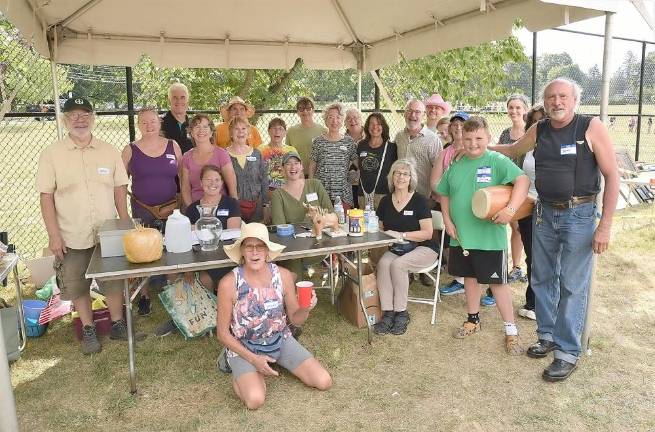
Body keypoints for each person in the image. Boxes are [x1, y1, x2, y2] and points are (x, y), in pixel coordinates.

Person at [491, 78, 619, 381]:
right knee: (542, 278)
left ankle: (567, 351)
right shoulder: (541, 129)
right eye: (551, 97)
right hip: (543, 213)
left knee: (572, 285)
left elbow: (612, 177)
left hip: (580, 215)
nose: (556, 102)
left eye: (563, 96)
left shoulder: (590, 127)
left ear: (574, 100)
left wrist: (605, 226)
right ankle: (546, 335)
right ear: (544, 102)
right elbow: (512, 149)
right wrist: (481, 146)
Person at [36, 97, 130, 354]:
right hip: (71, 233)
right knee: (77, 283)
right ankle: (88, 329)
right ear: (65, 120)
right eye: (73, 115)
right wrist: (54, 236)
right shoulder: (51, 155)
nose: (80, 119)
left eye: (85, 114)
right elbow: (46, 196)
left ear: (93, 117)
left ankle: (118, 323)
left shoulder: (109, 151)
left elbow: (120, 189)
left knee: (112, 280)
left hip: (107, 233)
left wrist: (124, 225)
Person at [436, 116, 529, 355]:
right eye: (467, 139)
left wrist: (510, 210)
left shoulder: (497, 160)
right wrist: (447, 219)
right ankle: (473, 319)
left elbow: (522, 180)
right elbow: (444, 192)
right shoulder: (456, 165)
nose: (473, 143)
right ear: (460, 140)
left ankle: (511, 330)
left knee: (497, 283)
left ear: (488, 138)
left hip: (489, 237)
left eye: (478, 138)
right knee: (469, 278)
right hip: (462, 235)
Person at [217, 223, 332, 409]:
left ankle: (267, 363)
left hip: (280, 339)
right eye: (249, 246)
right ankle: (239, 367)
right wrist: (254, 360)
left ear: (267, 251)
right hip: (244, 346)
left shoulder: (284, 276)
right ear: (242, 252)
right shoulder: (229, 283)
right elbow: (222, 334)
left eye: (260, 246)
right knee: (255, 400)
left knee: (324, 381)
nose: (255, 252)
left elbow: (295, 319)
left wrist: (306, 307)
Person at [155, 165, 243, 338]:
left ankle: (221, 318)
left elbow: (233, 234)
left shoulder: (231, 204)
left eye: (217, 180)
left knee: (207, 279)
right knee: (188, 277)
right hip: (201, 260)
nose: (213, 183)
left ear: (222, 182)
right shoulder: (192, 209)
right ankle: (188, 317)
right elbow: (189, 239)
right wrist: (189, 268)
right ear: (201, 183)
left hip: (227, 258)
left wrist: (203, 230)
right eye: (208, 180)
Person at [121, 107, 183, 316]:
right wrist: (123, 215)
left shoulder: (173, 146)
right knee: (142, 253)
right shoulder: (130, 150)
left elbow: (182, 177)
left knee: (172, 250)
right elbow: (120, 184)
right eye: (144, 122)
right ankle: (144, 295)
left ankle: (173, 292)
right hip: (143, 209)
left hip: (171, 209)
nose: (149, 126)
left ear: (160, 123)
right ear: (138, 125)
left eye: (152, 121)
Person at [373, 159, 439, 336]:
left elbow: (427, 232)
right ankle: (388, 312)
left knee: (398, 265)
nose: (401, 177)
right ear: (391, 176)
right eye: (397, 173)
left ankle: (401, 312)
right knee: (383, 264)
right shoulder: (386, 201)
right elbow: (379, 227)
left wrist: (402, 235)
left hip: (423, 247)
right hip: (398, 248)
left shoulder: (419, 201)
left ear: (411, 178)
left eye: (405, 174)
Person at [271, 152, 334, 278]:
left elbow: (331, 213)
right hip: (292, 246)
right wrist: (307, 219)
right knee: (293, 262)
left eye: (296, 163)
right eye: (288, 164)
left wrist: (317, 217)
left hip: (319, 242)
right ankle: (297, 294)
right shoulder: (278, 194)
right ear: (282, 169)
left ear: (301, 167)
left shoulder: (315, 185)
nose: (293, 167)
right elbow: (280, 227)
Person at [515, 104, 547, 321]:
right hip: (527, 206)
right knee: (532, 257)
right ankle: (532, 301)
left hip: (551, 208)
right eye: (534, 120)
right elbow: (518, 177)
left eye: (542, 119)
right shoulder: (526, 147)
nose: (538, 124)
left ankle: (546, 302)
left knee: (547, 258)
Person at [433, 111, 469, 297]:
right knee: (454, 242)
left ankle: (471, 279)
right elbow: (435, 182)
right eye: (454, 123)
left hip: (471, 206)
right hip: (450, 205)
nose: (457, 127)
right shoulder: (445, 152)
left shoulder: (475, 150)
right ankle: (460, 280)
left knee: (470, 242)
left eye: (462, 123)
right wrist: (448, 195)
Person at [181, 114, 238, 208]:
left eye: (205, 126)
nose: (201, 130)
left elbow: (232, 188)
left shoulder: (221, 154)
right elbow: (185, 189)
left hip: (220, 208)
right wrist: (191, 210)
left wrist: (235, 211)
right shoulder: (186, 157)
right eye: (197, 126)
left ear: (211, 132)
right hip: (197, 208)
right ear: (191, 132)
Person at [309, 102, 358, 209]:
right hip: (321, 191)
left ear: (342, 120)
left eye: (338, 117)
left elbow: (358, 164)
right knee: (322, 223)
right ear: (325, 120)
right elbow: (312, 166)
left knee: (342, 224)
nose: (334, 121)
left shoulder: (349, 141)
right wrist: (311, 188)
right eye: (330, 117)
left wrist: (354, 177)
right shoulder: (318, 142)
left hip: (343, 193)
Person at [394, 99, 443, 199]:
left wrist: (436, 193)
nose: (413, 115)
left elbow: (440, 169)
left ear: (424, 115)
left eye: (417, 112)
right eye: (409, 111)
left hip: (423, 196)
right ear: (404, 113)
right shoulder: (399, 137)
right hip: (400, 194)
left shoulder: (432, 140)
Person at [226, 117, 269, 223]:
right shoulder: (224, 155)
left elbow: (264, 180)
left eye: (243, 128)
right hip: (233, 207)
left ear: (248, 132)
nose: (240, 132)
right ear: (231, 133)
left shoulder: (257, 154)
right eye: (236, 129)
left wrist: (266, 205)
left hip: (256, 206)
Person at [357, 113, 397, 209]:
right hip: (363, 195)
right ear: (367, 126)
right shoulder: (361, 145)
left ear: (383, 127)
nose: (375, 127)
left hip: (383, 194)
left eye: (379, 124)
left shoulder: (392, 147)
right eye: (372, 124)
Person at [285, 97, 327, 177]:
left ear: (313, 110)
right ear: (297, 112)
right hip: (298, 174)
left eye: (308, 108)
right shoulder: (291, 131)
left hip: (318, 174)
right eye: (301, 109)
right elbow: (288, 155)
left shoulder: (323, 131)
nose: (305, 111)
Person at [258, 117, 298, 193]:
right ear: (269, 131)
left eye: (280, 129)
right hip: (265, 191)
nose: (277, 131)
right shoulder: (260, 150)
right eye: (274, 128)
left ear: (285, 133)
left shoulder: (291, 150)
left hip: (287, 190)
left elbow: (298, 172)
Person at [161, 83, 194, 153]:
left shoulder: (195, 124)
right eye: (175, 97)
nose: (179, 101)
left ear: (188, 100)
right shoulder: (159, 123)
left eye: (182, 97)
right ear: (169, 101)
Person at [345, 108, 365, 206]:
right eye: (348, 119)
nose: (352, 121)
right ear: (345, 122)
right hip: (347, 184)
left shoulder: (371, 136)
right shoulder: (341, 139)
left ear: (361, 119)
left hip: (366, 182)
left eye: (355, 118)